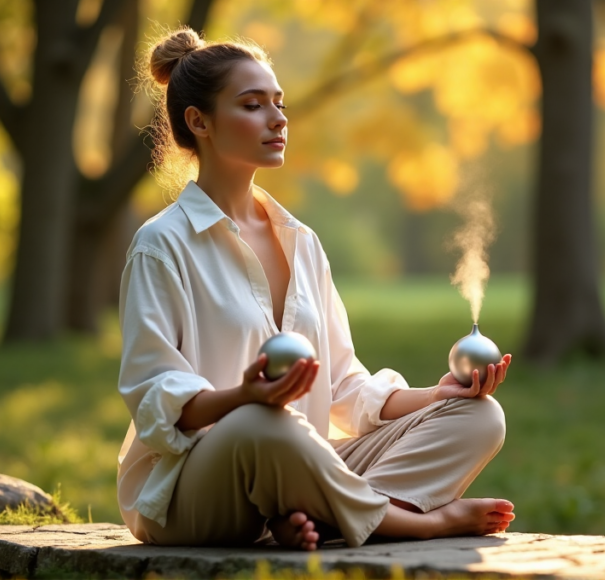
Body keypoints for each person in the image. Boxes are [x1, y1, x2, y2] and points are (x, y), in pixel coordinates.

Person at [116, 27, 516, 552]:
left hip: (299, 463)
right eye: (253, 105)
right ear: (199, 122)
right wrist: (246, 396)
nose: (278, 119)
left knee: (479, 417)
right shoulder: (160, 245)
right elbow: (153, 398)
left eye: (279, 104)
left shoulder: (301, 242)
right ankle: (421, 523)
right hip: (194, 488)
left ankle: (312, 518)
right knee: (262, 424)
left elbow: (344, 386)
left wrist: (434, 397)